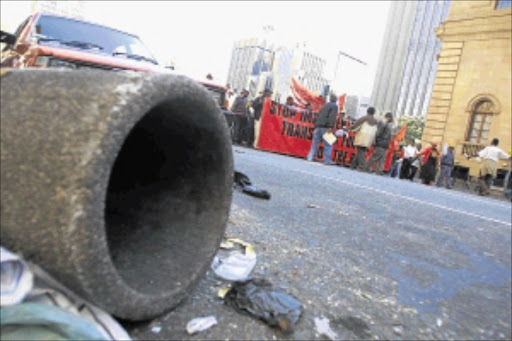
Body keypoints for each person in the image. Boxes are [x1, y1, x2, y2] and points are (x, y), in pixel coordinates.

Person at [306, 93, 338, 165]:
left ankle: (310, 157)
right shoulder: (334, 106)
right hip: (326, 127)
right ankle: (327, 160)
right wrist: (330, 126)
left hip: (318, 126)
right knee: (328, 144)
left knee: (315, 143)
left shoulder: (325, 105)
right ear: (335, 100)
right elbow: (332, 116)